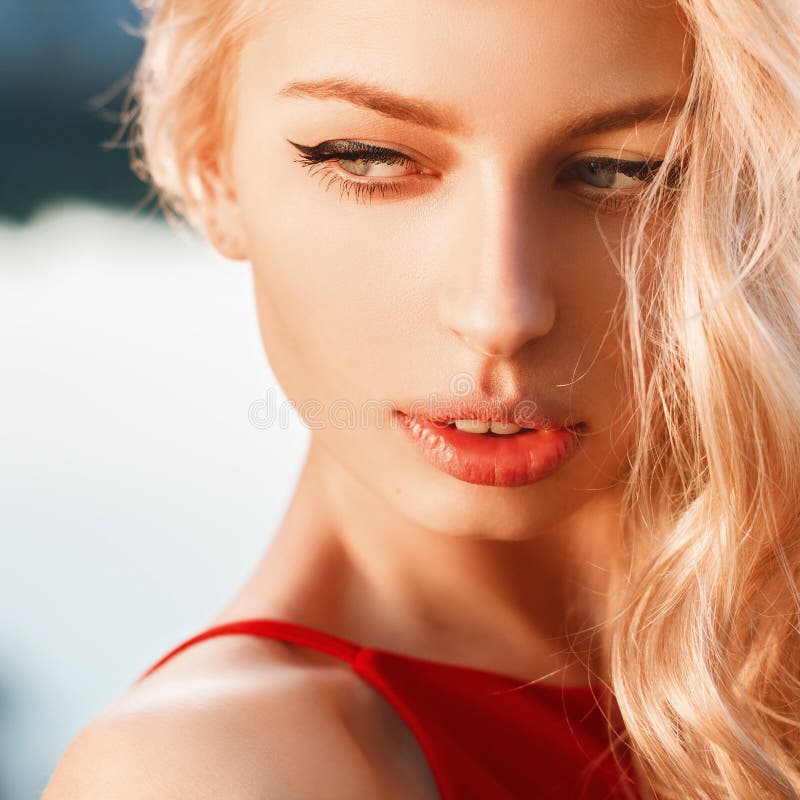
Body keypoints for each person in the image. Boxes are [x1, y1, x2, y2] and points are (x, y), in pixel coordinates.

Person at [42, 1, 800, 798]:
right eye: (368, 158)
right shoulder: (209, 771)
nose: (500, 311)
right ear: (211, 166)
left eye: (621, 170)